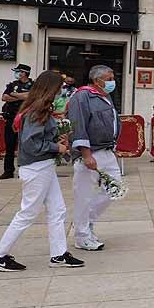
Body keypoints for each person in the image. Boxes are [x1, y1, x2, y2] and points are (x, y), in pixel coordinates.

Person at [0, 71, 85, 271]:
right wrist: (55, 147)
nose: (61, 91)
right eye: (59, 88)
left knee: (57, 210)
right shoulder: (36, 111)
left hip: (44, 167)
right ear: (51, 89)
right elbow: (31, 144)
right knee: (27, 213)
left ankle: (58, 255)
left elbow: (37, 138)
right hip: (36, 167)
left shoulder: (39, 109)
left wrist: (56, 140)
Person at [68, 65, 122, 251]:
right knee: (83, 195)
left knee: (115, 188)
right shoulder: (82, 96)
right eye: (109, 78)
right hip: (90, 152)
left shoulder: (105, 97)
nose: (112, 81)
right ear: (97, 80)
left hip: (107, 151)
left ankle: (87, 220)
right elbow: (78, 125)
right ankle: (82, 236)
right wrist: (85, 153)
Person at [0, 64, 34, 180]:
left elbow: (31, 97)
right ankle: (8, 171)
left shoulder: (33, 85)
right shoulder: (12, 85)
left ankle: (24, 170)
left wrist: (14, 95)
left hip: (26, 119)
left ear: (24, 73)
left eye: (18, 71)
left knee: (25, 145)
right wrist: (21, 96)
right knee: (9, 145)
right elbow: (4, 97)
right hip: (11, 118)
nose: (17, 73)